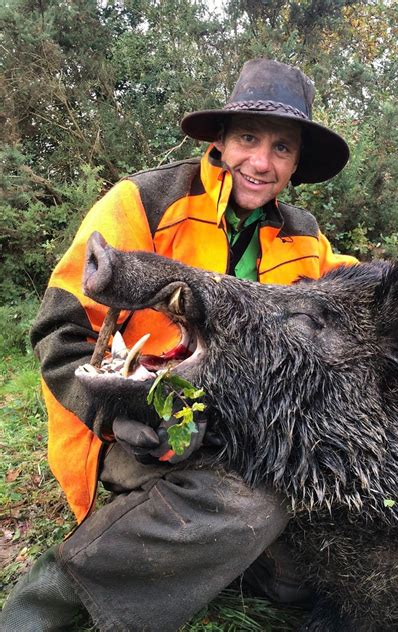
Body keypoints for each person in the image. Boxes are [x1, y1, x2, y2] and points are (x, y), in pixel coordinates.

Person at [0, 59, 357, 631]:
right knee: (254, 501)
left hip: (233, 424)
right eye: (248, 138)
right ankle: (41, 609)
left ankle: (214, 550)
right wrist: (114, 417)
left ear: (296, 163)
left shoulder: (304, 234)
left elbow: (357, 293)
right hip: (129, 421)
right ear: (220, 140)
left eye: (282, 148)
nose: (261, 163)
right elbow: (59, 330)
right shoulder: (142, 200)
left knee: (295, 578)